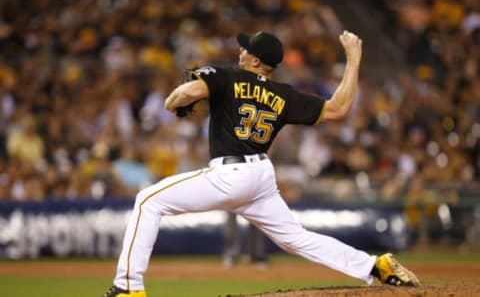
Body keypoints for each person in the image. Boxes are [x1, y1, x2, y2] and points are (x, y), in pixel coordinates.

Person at [102, 30, 419, 297]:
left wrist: (175, 101)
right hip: (261, 176)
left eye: (247, 48)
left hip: (230, 174)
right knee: (296, 238)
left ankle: (128, 286)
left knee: (147, 200)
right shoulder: (284, 94)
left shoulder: (227, 76)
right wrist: (353, 60)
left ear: (255, 60)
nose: (241, 51)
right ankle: (374, 265)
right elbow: (338, 109)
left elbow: (186, 93)